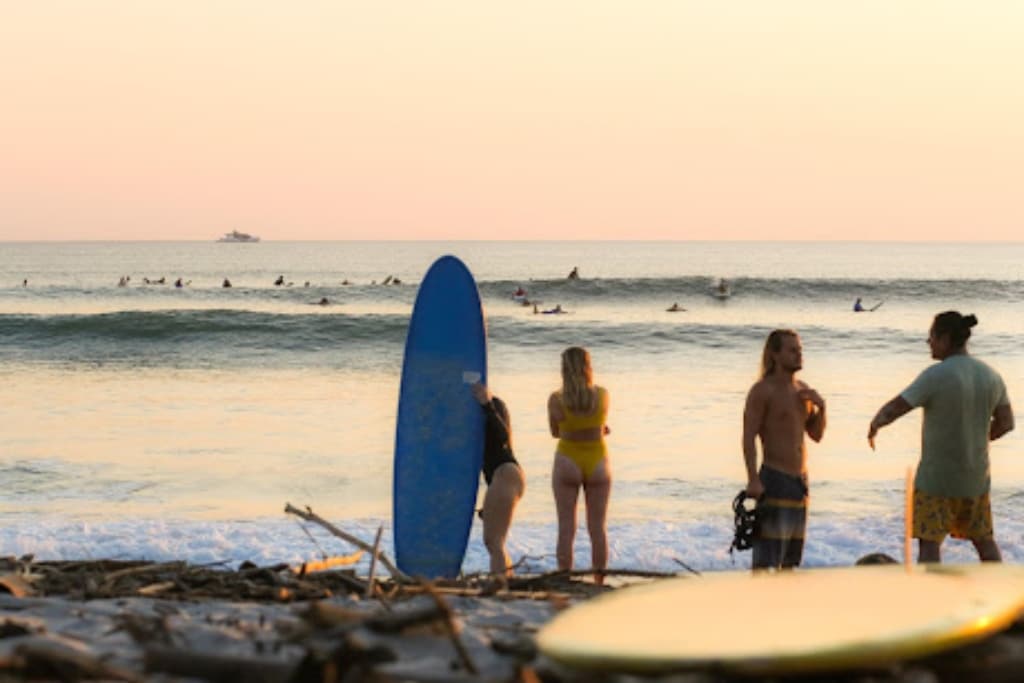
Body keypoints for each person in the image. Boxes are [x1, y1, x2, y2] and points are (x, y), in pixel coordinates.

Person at [867, 312, 1014, 564]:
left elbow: (896, 408)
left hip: (936, 482)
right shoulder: (991, 375)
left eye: (932, 337)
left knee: (930, 545)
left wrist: (875, 425)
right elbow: (1007, 423)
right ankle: (1000, 590)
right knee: (984, 542)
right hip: (976, 480)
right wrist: (975, 437)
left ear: (945, 338)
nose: (929, 343)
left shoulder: (936, 375)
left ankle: (931, 597)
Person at [742, 329, 827, 570]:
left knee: (791, 559)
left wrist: (822, 408)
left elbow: (817, 435)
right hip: (775, 477)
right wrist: (753, 480)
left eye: (800, 350)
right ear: (775, 355)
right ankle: (761, 605)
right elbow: (748, 438)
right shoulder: (762, 390)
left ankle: (786, 606)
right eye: (792, 350)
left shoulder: (803, 390)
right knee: (767, 560)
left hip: (800, 482)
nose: (799, 355)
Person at [548, 347, 611, 584]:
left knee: (566, 528)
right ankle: (599, 582)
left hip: (567, 460)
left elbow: (555, 432)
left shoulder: (556, 399)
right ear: (588, 367)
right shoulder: (603, 395)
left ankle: (565, 580)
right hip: (598, 461)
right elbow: (600, 425)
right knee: (598, 528)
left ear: (564, 369)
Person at [471, 383, 526, 576]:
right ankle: (507, 583)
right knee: (495, 542)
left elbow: (503, 435)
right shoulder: (477, 412)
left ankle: (499, 586)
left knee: (494, 542)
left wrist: (487, 405)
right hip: (503, 477)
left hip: (506, 474)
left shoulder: (493, 405)